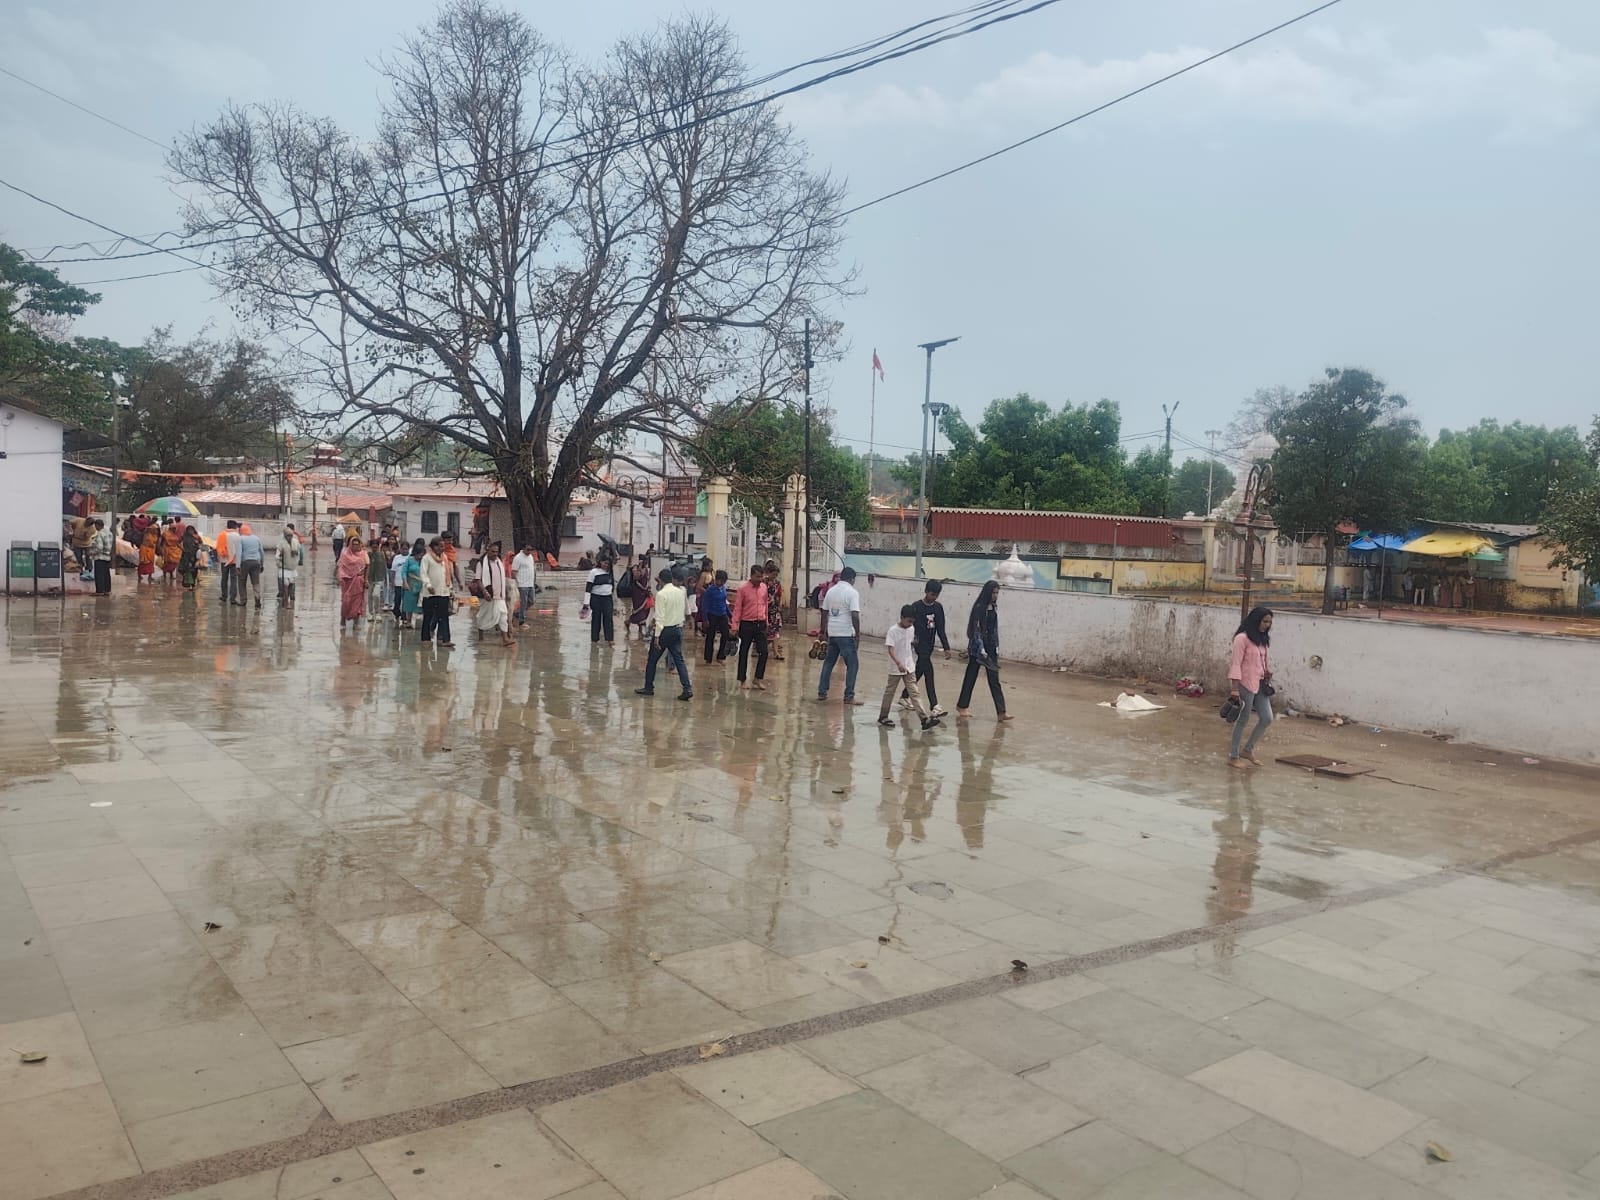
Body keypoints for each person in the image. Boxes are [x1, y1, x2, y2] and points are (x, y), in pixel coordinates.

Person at [1227, 606, 1275, 769]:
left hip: (1260, 684)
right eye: (1264, 621)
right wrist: (1234, 688)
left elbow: (1262, 660)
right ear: (1256, 620)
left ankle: (1247, 750)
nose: (1267, 625)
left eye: (1269, 622)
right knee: (1243, 719)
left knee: (1267, 718)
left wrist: (1267, 671)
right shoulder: (1242, 638)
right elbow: (1236, 664)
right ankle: (1233, 756)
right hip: (1245, 684)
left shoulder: (1262, 639)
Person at [956, 581, 1011, 722]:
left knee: (994, 679)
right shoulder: (979, 608)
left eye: (997, 593)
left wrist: (996, 646)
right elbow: (976, 631)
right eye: (993, 593)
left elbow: (994, 629)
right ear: (987, 592)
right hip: (978, 649)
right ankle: (962, 706)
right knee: (971, 676)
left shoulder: (993, 607)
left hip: (991, 648)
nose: (995, 595)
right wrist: (981, 649)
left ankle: (1001, 712)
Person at [880, 605, 940, 731]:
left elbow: (910, 644)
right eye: (908, 621)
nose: (910, 624)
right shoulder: (893, 631)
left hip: (909, 666)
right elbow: (890, 650)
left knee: (914, 692)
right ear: (902, 618)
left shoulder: (911, 628)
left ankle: (924, 719)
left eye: (912, 622)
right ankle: (883, 716)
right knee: (890, 691)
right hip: (896, 667)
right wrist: (898, 663)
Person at [636, 568, 693, 700]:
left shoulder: (661, 594)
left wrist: (656, 636)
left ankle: (648, 687)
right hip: (678, 629)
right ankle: (687, 688)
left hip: (665, 631)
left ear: (661, 580)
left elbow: (660, 617)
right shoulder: (680, 592)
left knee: (652, 660)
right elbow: (686, 609)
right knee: (679, 661)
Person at [816, 566, 863, 705]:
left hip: (833, 632)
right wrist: (858, 634)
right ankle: (849, 696)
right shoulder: (852, 592)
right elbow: (855, 614)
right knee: (853, 664)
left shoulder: (831, 591)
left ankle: (822, 692)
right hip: (846, 634)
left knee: (829, 663)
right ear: (852, 579)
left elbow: (824, 612)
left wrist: (822, 632)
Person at [904, 580, 952, 718]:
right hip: (919, 644)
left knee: (920, 671)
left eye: (937, 595)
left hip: (930, 644)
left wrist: (946, 647)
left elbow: (941, 628)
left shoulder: (938, 608)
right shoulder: (916, 607)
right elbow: (909, 625)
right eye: (932, 594)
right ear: (926, 591)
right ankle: (935, 706)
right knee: (929, 673)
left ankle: (904, 695)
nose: (934, 597)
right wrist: (910, 641)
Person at [732, 564, 769, 689]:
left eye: (761, 577)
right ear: (751, 576)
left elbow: (765, 605)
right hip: (747, 623)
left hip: (761, 623)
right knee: (744, 652)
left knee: (764, 652)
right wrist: (734, 626)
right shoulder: (743, 589)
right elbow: (737, 608)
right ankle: (742, 679)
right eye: (757, 576)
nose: (760, 579)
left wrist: (767, 621)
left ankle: (758, 678)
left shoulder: (764, 588)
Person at [473, 541, 514, 646]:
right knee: (483, 616)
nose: (495, 554)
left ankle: (505, 639)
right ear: (487, 551)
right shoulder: (481, 563)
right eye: (493, 552)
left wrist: (504, 593)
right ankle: (481, 636)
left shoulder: (499, 562)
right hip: (487, 595)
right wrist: (485, 592)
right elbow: (478, 579)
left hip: (499, 596)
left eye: (496, 552)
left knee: (503, 615)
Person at [419, 537, 454, 646]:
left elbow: (447, 574)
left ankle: (445, 640)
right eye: (439, 546)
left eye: (442, 546)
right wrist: (428, 585)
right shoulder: (427, 558)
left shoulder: (445, 558)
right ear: (433, 547)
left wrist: (450, 589)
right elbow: (423, 573)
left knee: (444, 617)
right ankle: (426, 639)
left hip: (443, 592)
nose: (441, 548)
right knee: (428, 616)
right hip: (430, 593)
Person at [701, 569, 733, 664]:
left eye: (723, 581)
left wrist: (730, 615)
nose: (721, 583)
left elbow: (724, 602)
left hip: (722, 614)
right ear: (717, 579)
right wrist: (705, 619)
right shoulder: (710, 590)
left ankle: (721, 656)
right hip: (712, 615)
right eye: (720, 581)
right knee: (710, 636)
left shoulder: (723, 589)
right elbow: (704, 605)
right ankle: (708, 658)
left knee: (726, 634)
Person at [338, 535, 369, 630]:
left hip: (359, 581)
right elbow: (340, 566)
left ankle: (356, 623)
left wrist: (366, 580)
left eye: (357, 544)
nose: (356, 546)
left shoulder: (364, 554)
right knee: (346, 602)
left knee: (357, 602)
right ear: (350, 545)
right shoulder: (344, 554)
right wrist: (339, 578)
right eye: (353, 544)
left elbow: (367, 567)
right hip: (347, 581)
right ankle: (343, 620)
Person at [586, 554, 616, 644]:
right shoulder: (593, 572)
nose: (606, 565)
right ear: (600, 562)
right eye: (604, 563)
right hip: (596, 598)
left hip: (607, 598)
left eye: (608, 563)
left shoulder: (610, 573)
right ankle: (595, 639)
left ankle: (610, 638)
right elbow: (588, 588)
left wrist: (614, 599)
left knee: (608, 617)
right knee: (596, 618)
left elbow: (612, 586)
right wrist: (586, 602)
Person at [234, 523, 265, 608]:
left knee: (242, 582)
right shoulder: (257, 538)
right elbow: (261, 552)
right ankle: (257, 599)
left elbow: (239, 553)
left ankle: (243, 601)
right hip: (256, 562)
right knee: (256, 582)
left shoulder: (240, 539)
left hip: (245, 563)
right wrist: (262, 564)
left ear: (241, 531)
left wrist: (237, 566)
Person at [399, 539, 425, 628]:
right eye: (419, 554)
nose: (420, 556)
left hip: (421, 585)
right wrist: (405, 582)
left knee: (421, 603)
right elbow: (404, 572)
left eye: (422, 554)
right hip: (410, 584)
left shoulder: (424, 561)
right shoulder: (409, 560)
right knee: (409, 603)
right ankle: (408, 621)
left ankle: (422, 621)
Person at [511, 544, 539, 626]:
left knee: (532, 600)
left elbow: (532, 569)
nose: (529, 551)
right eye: (528, 549)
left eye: (531, 549)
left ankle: (517, 612)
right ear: (523, 548)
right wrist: (516, 583)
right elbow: (514, 572)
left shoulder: (530, 557)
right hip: (522, 584)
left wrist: (534, 581)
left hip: (530, 583)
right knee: (523, 602)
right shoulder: (518, 558)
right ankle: (521, 621)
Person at [764, 560, 786, 661]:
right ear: (768, 573)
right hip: (765, 609)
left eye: (776, 575)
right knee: (765, 630)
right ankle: (761, 649)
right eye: (773, 574)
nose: (774, 576)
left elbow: (780, 594)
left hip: (774, 609)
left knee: (776, 630)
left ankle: (776, 652)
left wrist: (780, 603)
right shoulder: (763, 583)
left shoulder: (777, 583)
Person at [625, 562, 652, 638]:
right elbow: (635, 579)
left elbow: (647, 583)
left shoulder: (647, 571)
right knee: (639, 612)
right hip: (637, 594)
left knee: (644, 612)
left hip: (644, 596)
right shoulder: (635, 572)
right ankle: (641, 631)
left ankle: (640, 632)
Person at [278, 524, 302, 609]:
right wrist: (281, 555)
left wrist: (297, 555)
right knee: (286, 585)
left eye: (291, 535)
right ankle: (286, 602)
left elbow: (300, 551)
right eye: (288, 536)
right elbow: (277, 556)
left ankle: (287, 598)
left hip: (293, 567)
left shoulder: (295, 542)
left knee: (291, 584)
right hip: (284, 567)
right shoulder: (281, 543)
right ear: (285, 536)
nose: (290, 537)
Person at [217, 521, 239, 605]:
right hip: (234, 561)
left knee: (224, 578)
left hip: (224, 560)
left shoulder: (221, 535)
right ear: (234, 527)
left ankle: (224, 596)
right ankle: (232, 598)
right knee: (233, 579)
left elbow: (218, 547)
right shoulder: (237, 536)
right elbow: (239, 549)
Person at [90, 519, 113, 595]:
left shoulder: (100, 534)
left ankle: (99, 591)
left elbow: (99, 547)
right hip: (107, 557)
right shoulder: (109, 533)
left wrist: (92, 552)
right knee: (106, 574)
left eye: (95, 526)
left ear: (97, 525)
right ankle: (107, 590)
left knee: (99, 574)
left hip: (100, 557)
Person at [179, 525, 203, 590]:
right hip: (186, 555)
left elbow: (201, 543)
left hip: (194, 555)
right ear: (187, 531)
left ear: (193, 530)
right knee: (186, 569)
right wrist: (182, 549)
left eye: (192, 530)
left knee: (194, 570)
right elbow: (178, 543)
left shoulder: (196, 537)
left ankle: (192, 584)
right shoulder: (184, 536)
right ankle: (188, 583)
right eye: (189, 530)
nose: (190, 531)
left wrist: (198, 547)